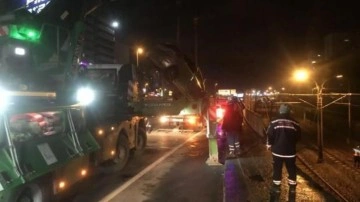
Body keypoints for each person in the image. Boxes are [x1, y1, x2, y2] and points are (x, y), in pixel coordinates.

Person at [266, 104, 301, 193]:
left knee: (277, 168)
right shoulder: (295, 123)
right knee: (291, 168)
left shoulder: (274, 122)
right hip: (290, 151)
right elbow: (298, 137)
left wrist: (269, 145)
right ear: (288, 112)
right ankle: (292, 187)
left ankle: (276, 187)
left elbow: (269, 135)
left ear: (280, 111)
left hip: (277, 151)